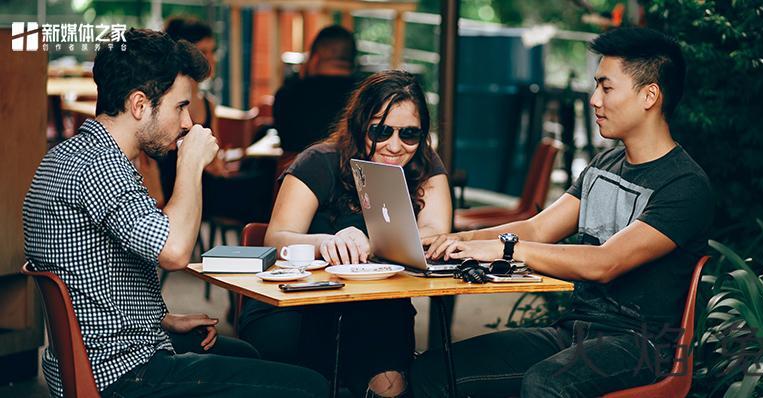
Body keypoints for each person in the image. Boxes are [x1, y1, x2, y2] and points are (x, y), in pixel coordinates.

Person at [23, 28, 327, 398]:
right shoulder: (101, 166)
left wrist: (161, 321)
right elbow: (175, 252)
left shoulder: (67, 156)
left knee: (245, 352)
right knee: (310, 386)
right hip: (124, 375)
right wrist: (190, 164)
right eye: (180, 106)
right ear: (139, 105)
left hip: (99, 359)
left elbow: (88, 277)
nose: (187, 122)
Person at [413, 27, 713, 397]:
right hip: (574, 331)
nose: (594, 100)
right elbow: (539, 228)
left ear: (649, 95)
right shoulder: (606, 164)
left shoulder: (684, 184)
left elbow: (605, 262)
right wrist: (454, 241)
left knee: (546, 383)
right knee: (432, 370)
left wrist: (506, 248)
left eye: (606, 87)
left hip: (644, 345)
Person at [238, 70, 452, 397]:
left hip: (376, 307)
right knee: (373, 329)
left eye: (410, 134)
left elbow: (435, 232)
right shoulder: (319, 161)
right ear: (359, 124)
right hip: (298, 306)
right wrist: (326, 243)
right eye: (381, 131)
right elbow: (276, 238)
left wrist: (378, 243)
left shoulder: (422, 163)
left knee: (382, 322)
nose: (395, 146)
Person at [158, 16, 228, 203]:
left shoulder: (208, 105)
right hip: (167, 191)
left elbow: (216, 163)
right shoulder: (161, 102)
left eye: (213, 51)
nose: (211, 59)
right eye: (203, 52)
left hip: (203, 190)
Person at [273, 24, 359, 155]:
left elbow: (286, 142)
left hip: (294, 171)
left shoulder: (288, 94)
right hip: (347, 173)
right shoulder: (365, 95)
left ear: (315, 58)